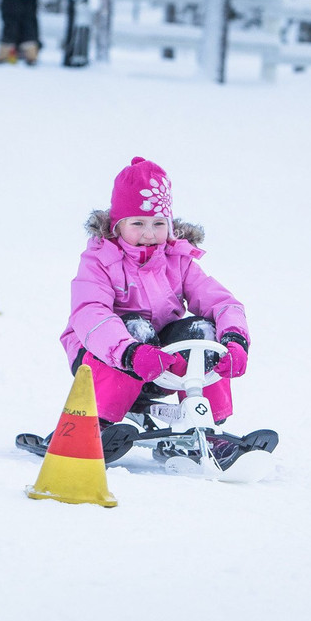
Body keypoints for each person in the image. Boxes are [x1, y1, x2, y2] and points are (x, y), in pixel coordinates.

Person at [60, 156, 250, 429]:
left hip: (159, 364)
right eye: (138, 223)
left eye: (159, 224)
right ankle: (96, 422)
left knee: (203, 331)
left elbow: (221, 302)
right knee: (136, 328)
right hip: (100, 359)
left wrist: (235, 340)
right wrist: (131, 352)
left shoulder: (178, 260)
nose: (149, 233)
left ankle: (204, 425)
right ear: (117, 226)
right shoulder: (100, 260)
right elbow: (90, 313)